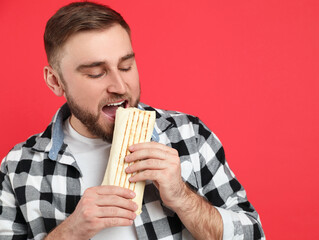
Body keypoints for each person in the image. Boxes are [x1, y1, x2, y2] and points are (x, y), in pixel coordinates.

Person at [0, 2, 265, 239]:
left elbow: (253, 234)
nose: (120, 85)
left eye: (126, 66)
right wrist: (71, 232)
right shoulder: (19, 167)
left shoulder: (189, 137)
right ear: (55, 81)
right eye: (95, 73)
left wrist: (183, 198)